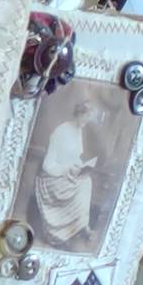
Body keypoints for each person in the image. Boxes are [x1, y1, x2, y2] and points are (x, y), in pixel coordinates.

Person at [32, 95, 103, 248]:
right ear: (79, 114)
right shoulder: (61, 131)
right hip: (51, 178)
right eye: (85, 120)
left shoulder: (79, 130)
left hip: (68, 174)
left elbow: (75, 157)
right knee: (84, 185)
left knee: (86, 181)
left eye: (87, 121)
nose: (85, 124)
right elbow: (47, 165)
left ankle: (81, 227)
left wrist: (80, 166)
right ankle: (60, 233)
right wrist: (67, 169)